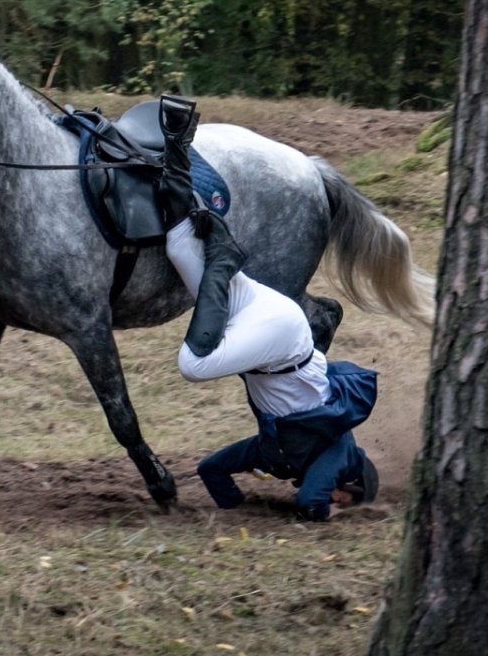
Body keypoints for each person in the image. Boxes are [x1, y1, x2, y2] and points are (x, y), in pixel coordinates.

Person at [154, 95, 379, 522]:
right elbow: (311, 503)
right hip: (279, 333)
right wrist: (330, 513)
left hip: (260, 320)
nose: (335, 498)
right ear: (350, 484)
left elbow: (212, 471)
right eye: (343, 499)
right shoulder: (339, 454)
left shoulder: (277, 455)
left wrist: (241, 510)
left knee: (180, 246)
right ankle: (223, 257)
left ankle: (176, 145)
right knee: (193, 366)